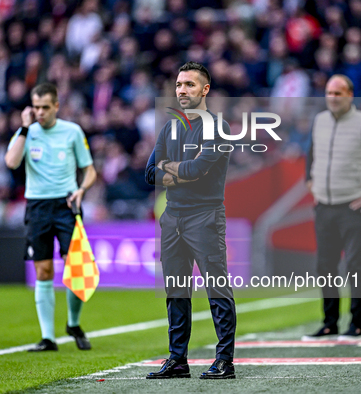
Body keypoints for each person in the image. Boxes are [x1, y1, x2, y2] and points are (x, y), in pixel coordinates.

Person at [144, 61, 237, 379]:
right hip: (173, 217)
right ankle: (177, 360)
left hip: (205, 215)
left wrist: (169, 168)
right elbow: (149, 173)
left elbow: (198, 172)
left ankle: (225, 360)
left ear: (205, 90)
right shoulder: (170, 126)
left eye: (190, 85)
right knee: (176, 290)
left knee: (216, 287)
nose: (182, 90)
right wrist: (179, 170)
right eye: (179, 85)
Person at [303, 74, 361, 341]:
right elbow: (311, 152)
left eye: (338, 93)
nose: (333, 98)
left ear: (350, 95)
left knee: (355, 266)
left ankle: (356, 324)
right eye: (330, 93)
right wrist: (309, 180)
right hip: (324, 206)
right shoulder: (319, 121)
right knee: (325, 267)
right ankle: (329, 323)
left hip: (353, 206)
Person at [5, 82, 97, 351]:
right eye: (36, 107)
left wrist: (82, 189)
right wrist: (23, 127)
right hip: (37, 207)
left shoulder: (72, 132)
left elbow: (90, 170)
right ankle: (48, 338)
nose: (40, 112)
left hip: (66, 204)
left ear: (56, 106)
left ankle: (73, 322)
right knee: (43, 270)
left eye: (45, 107)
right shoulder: (27, 133)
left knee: (76, 267)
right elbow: (11, 162)